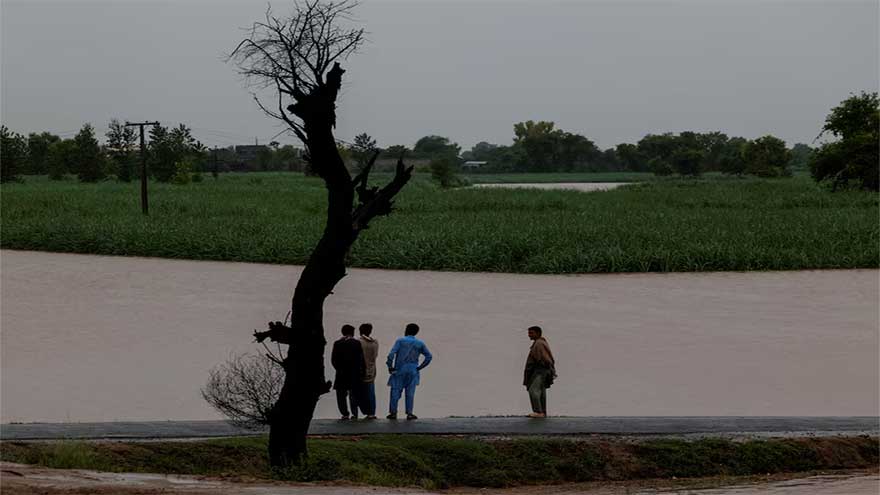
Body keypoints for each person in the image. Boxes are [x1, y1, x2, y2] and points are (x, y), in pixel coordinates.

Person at [386, 323, 432, 420]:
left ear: (406, 330)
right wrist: (420, 367)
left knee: (395, 391)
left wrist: (390, 366)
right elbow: (429, 357)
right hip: (413, 370)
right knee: (410, 392)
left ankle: (393, 413)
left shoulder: (400, 341)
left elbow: (391, 355)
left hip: (399, 369)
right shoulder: (420, 343)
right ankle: (409, 413)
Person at [331, 324, 365, 420]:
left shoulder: (337, 343)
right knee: (353, 394)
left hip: (341, 373)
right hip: (354, 373)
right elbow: (361, 359)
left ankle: (345, 413)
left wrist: (338, 368)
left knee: (341, 395)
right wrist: (362, 371)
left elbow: (333, 360)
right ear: (352, 333)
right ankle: (354, 413)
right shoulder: (357, 343)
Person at [523, 325, 556, 418]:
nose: (529, 335)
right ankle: (543, 412)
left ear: (537, 333)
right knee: (541, 391)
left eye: (531, 333)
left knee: (533, 390)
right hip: (542, 371)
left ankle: (538, 411)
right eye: (529, 333)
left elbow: (544, 359)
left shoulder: (539, 343)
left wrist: (541, 369)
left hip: (540, 371)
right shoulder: (540, 342)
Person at [357, 323, 379, 420]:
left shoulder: (358, 342)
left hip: (360, 370)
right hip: (372, 370)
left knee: (358, 393)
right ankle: (372, 413)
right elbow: (375, 356)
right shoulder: (375, 342)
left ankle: (358, 412)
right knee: (371, 393)